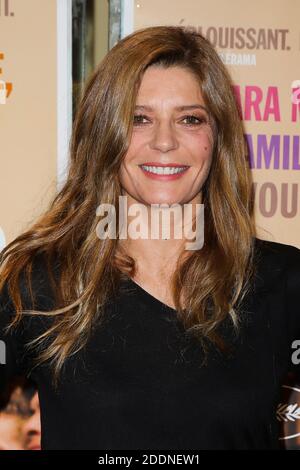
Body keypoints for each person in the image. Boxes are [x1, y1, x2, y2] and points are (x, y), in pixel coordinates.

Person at [0, 25, 299, 450]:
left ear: (218, 138)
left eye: (189, 119)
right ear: (105, 135)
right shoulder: (42, 282)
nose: (164, 142)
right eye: (139, 119)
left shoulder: (281, 279)